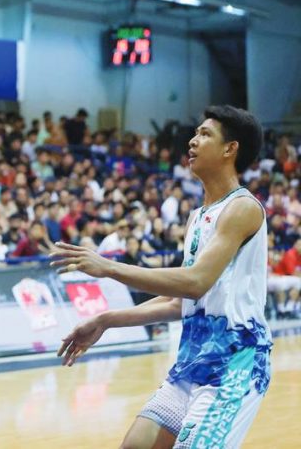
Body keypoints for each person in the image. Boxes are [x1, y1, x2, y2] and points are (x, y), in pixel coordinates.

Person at [53, 106, 270, 449]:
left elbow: (197, 281)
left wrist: (109, 267)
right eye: (196, 133)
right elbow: (178, 301)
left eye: (205, 134)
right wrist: (106, 319)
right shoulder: (198, 216)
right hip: (191, 362)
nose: (193, 141)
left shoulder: (242, 208)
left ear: (231, 149)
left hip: (233, 367)